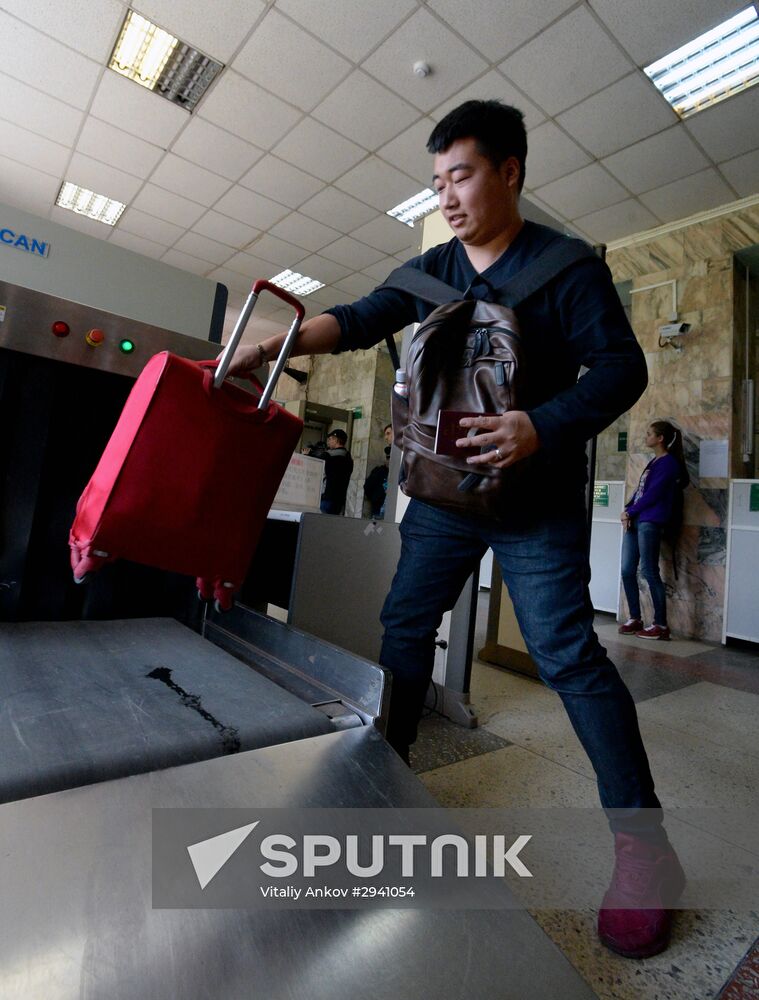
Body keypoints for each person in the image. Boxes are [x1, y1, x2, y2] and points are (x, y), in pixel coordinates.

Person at [224, 100, 684, 959]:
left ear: (510, 171)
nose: (447, 196)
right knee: (403, 624)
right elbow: (359, 317)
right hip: (440, 498)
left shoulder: (563, 268)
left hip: (533, 502)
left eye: (461, 175)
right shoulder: (433, 269)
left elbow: (622, 367)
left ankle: (643, 849)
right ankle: (384, 795)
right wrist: (280, 345)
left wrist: (539, 425)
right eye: (436, 182)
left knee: (568, 658)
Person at [619, 421, 689, 640]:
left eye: (649, 433)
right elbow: (641, 492)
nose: (645, 436)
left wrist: (631, 512)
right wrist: (628, 510)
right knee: (627, 570)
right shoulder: (653, 462)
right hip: (636, 519)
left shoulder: (668, 463)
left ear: (660, 438)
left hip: (650, 521)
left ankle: (660, 624)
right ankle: (635, 618)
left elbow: (654, 495)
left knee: (649, 570)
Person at [320, 429, 353, 515]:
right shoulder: (348, 458)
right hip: (340, 500)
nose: (328, 442)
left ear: (336, 439)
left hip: (326, 498)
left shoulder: (328, 455)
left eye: (330, 439)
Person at [363, 424, 393, 518]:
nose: (386, 437)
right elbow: (367, 486)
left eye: (388, 434)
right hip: (379, 508)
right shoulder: (380, 471)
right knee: (371, 531)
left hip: (390, 510)